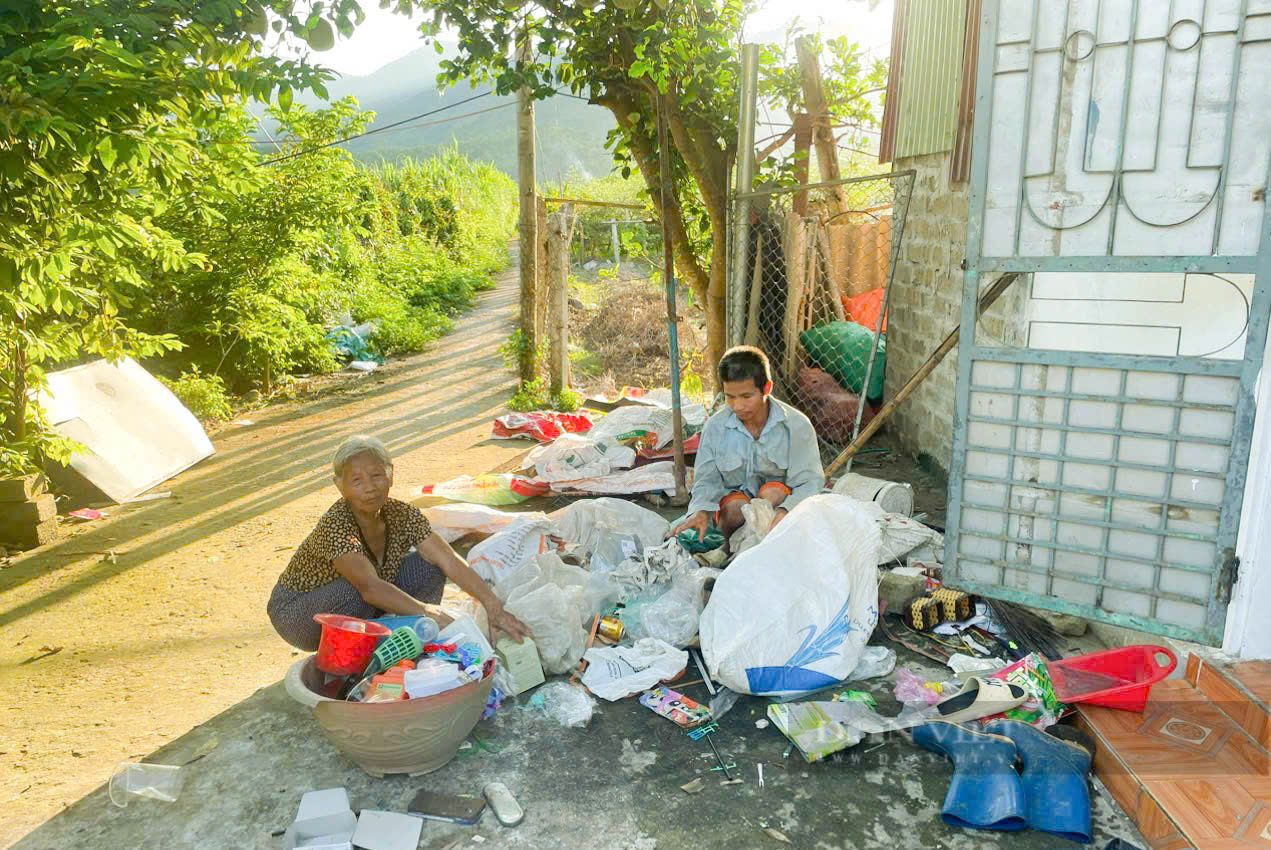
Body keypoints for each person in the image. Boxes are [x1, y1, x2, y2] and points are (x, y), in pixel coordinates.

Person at [268, 434, 531, 651]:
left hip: (361, 599)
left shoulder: (401, 514)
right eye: (356, 481)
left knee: (429, 566)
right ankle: (360, 654)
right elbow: (370, 588)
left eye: (376, 475)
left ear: (391, 475)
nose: (369, 487)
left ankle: (410, 640)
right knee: (354, 590)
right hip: (298, 614)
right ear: (339, 486)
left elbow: (447, 559)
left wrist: (492, 605)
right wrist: (428, 612)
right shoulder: (336, 525)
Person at [670, 345, 825, 545]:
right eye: (730, 397)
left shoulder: (796, 425)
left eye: (746, 397)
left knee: (771, 493)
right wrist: (700, 511)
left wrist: (787, 511)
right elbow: (706, 480)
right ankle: (729, 549)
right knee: (736, 510)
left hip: (779, 509)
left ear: (767, 388)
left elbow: (809, 482)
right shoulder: (715, 428)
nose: (738, 406)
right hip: (733, 510)